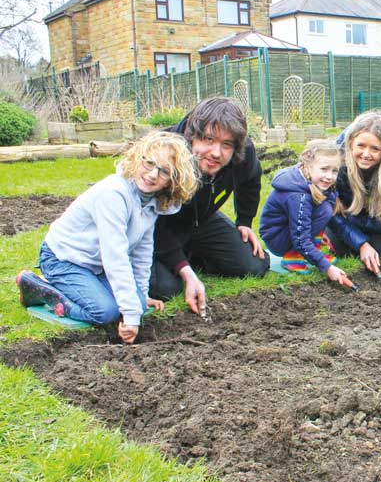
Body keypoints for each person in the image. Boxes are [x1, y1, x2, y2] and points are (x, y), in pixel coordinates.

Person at [16, 132, 198, 344]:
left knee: (137, 303)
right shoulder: (113, 194)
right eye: (149, 163)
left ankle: (75, 288)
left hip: (94, 264)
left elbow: (142, 250)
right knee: (105, 313)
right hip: (63, 259)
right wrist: (131, 317)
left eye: (164, 171)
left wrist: (142, 294)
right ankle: (43, 289)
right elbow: (115, 256)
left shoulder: (151, 202)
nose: (152, 175)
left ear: (172, 181)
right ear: (138, 158)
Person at [150, 97, 269, 316]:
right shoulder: (163, 155)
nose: (216, 153)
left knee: (255, 265)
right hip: (155, 228)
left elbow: (252, 178)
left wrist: (244, 221)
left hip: (201, 220)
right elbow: (150, 220)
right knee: (166, 288)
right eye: (208, 139)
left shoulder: (245, 153)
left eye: (226, 144)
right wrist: (185, 271)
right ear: (191, 135)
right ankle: (181, 259)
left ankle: (193, 254)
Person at [326, 110, 381, 275]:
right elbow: (331, 212)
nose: (366, 154)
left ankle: (358, 240)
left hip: (367, 222)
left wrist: (360, 228)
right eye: (361, 146)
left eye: (375, 149)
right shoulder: (337, 165)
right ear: (351, 143)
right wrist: (362, 244)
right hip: (344, 220)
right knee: (341, 248)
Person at [259, 139, 349, 284]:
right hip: (278, 239)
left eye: (334, 171)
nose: (329, 176)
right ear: (307, 167)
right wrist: (327, 267)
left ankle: (311, 251)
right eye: (324, 169)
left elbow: (315, 212)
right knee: (325, 210)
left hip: (288, 230)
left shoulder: (310, 181)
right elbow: (300, 238)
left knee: (325, 208)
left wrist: (319, 235)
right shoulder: (298, 197)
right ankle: (292, 257)